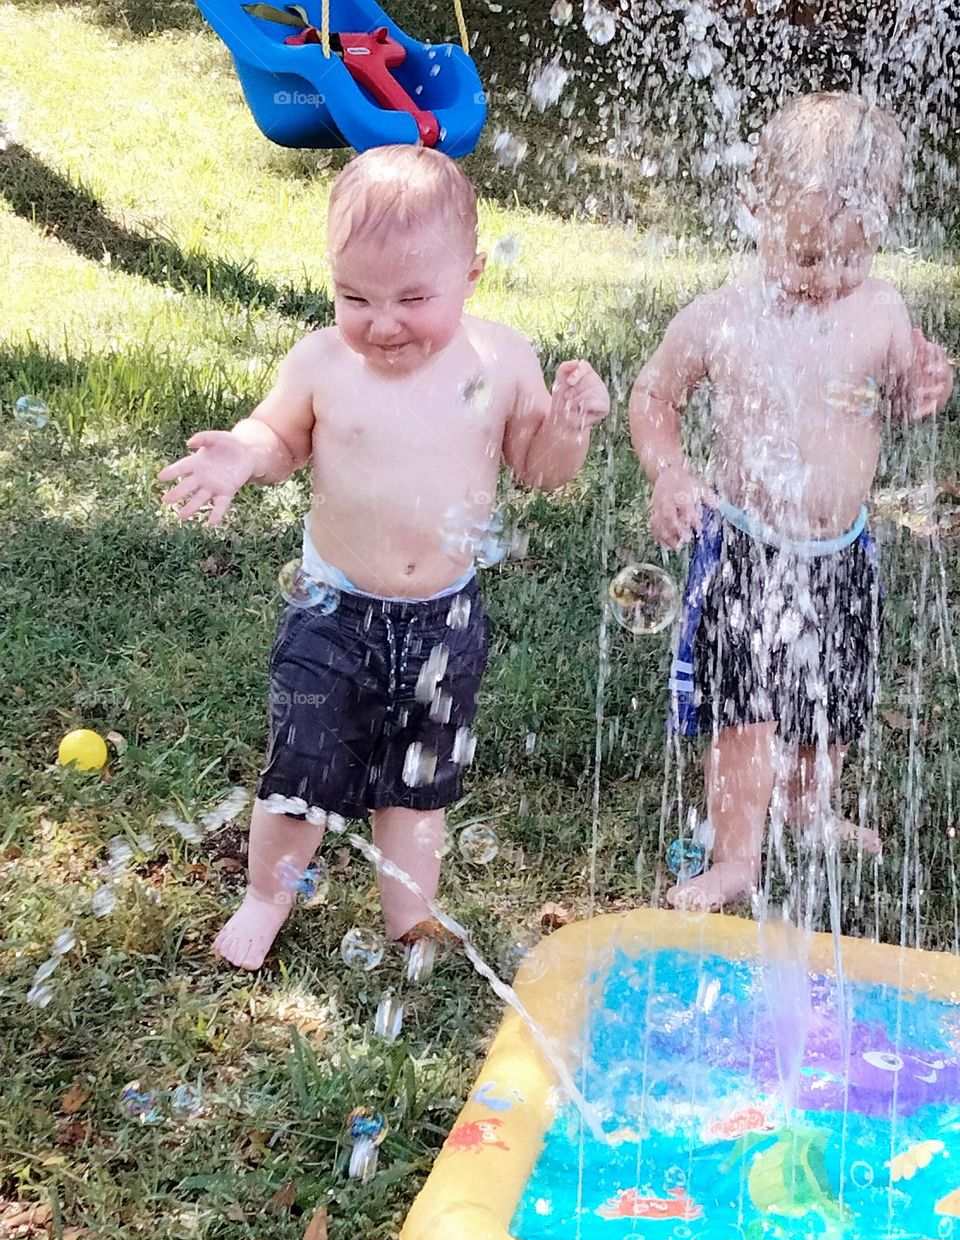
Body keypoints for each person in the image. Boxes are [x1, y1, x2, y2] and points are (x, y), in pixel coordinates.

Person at [159, 144, 609, 968]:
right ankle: (266, 898)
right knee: (302, 769)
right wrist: (242, 453)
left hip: (446, 615)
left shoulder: (504, 361)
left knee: (419, 779)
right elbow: (278, 437)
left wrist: (570, 425)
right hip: (333, 612)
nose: (383, 322)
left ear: (471, 274)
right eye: (354, 296)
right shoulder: (323, 363)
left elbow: (540, 473)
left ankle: (411, 914)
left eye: (413, 297)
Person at [629, 92, 953, 912]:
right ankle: (736, 854)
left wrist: (927, 384)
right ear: (756, 211)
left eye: (855, 255)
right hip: (748, 545)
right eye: (809, 258)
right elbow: (654, 392)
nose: (830, 278)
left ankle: (810, 807)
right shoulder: (724, 318)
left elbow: (909, 384)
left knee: (834, 702)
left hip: (843, 549)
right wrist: (671, 471)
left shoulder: (880, 307)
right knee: (747, 711)